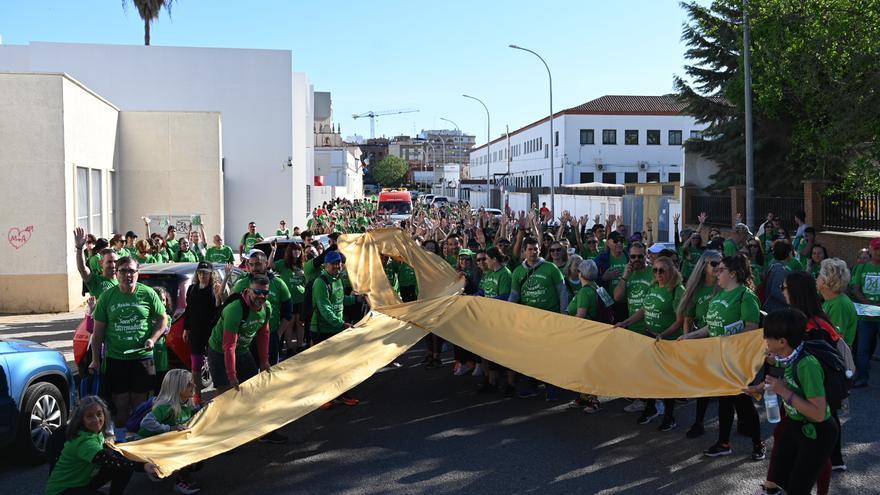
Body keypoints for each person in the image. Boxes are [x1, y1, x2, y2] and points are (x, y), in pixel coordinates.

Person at [680, 254, 765, 460]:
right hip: (719, 359)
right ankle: (724, 442)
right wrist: (689, 336)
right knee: (725, 402)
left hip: (736, 361)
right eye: (716, 269)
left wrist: (727, 338)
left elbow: (751, 327)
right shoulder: (718, 295)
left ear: (733, 273)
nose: (717, 273)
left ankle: (758, 443)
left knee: (743, 403)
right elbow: (712, 326)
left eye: (721, 269)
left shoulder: (745, 295)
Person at [747, 309, 839, 495]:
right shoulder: (790, 355)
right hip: (796, 425)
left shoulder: (808, 365)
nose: (765, 342)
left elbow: (818, 413)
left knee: (798, 487)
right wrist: (760, 388)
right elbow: (781, 370)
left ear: (782, 342)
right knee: (785, 479)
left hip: (817, 432)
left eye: (767, 338)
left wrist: (783, 391)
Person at [89, 257, 167, 443]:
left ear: (137, 273)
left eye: (131, 271)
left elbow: (163, 319)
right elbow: (97, 332)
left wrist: (152, 338)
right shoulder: (107, 297)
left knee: (141, 404)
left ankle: (140, 442)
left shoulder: (148, 294)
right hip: (116, 359)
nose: (127, 275)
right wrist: (95, 360)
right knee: (121, 404)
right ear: (116, 274)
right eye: (123, 271)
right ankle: (122, 441)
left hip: (143, 358)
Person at [615, 256, 685, 431]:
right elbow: (643, 309)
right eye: (655, 270)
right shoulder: (654, 286)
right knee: (650, 376)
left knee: (666, 380)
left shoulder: (677, 290)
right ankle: (651, 407)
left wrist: (663, 334)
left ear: (671, 271)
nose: (658, 273)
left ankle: (670, 416)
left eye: (662, 270)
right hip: (649, 338)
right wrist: (625, 323)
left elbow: (680, 320)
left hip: (667, 341)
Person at [44, 396, 158, 495]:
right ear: (81, 420)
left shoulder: (94, 432)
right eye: (89, 416)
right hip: (62, 491)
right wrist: (143, 466)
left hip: (82, 483)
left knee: (124, 461)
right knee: (121, 463)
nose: (96, 420)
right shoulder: (83, 442)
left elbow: (113, 453)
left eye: (99, 414)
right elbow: (109, 460)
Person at [509, 237, 569, 399]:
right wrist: (508, 312)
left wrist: (564, 315)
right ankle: (532, 385)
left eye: (536, 249)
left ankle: (552, 389)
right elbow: (514, 295)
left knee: (550, 354)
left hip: (550, 320)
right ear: (523, 251)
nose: (533, 252)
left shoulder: (551, 268)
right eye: (530, 249)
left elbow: (563, 292)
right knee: (531, 354)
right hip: (528, 321)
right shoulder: (518, 272)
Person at [677, 250, 722, 438]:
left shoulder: (725, 285)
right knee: (705, 386)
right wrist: (688, 343)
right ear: (704, 266)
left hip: (723, 342)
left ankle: (745, 422)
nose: (718, 267)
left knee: (732, 387)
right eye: (714, 264)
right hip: (703, 343)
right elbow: (687, 319)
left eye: (721, 263)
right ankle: (699, 422)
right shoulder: (696, 289)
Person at [311, 250, 362, 408]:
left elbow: (339, 300)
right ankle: (322, 398)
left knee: (340, 364)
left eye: (339, 262)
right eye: (333, 263)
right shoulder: (321, 282)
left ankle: (341, 395)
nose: (337, 266)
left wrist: (355, 299)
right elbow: (325, 307)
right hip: (321, 329)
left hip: (336, 327)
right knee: (323, 366)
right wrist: (341, 324)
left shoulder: (337, 279)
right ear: (326, 265)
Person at [137, 369, 201, 494]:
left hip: (166, 442)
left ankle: (177, 472)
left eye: (192, 382)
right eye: (189, 384)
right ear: (177, 388)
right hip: (150, 445)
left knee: (197, 459)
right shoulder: (166, 406)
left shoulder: (186, 402)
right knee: (184, 450)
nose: (194, 385)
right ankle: (177, 479)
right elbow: (146, 422)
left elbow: (190, 414)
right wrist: (170, 428)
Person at [232, 250, 292, 366]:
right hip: (246, 340)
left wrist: (278, 334)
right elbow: (230, 310)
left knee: (269, 373)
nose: (254, 268)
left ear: (266, 264)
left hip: (271, 337)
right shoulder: (242, 284)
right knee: (249, 376)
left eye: (258, 264)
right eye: (251, 264)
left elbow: (288, 312)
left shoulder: (278, 283)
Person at [567, 259, 610, 413]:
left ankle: (593, 400)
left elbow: (580, 316)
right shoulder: (600, 288)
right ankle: (584, 396)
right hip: (599, 332)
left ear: (581, 274)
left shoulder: (584, 292)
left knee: (587, 368)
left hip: (586, 335)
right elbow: (610, 307)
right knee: (588, 367)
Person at [183, 261, 225, 405]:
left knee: (214, 363)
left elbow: (219, 310)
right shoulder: (192, 289)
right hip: (195, 333)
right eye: (200, 273)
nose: (202, 276)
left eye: (206, 273)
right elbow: (188, 310)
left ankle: (218, 394)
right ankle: (197, 396)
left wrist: (219, 297)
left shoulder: (214, 290)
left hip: (211, 333)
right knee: (195, 365)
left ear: (211, 274)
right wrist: (186, 328)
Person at [851, 238, 880, 388]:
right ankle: (862, 378)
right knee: (862, 349)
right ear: (870, 249)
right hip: (865, 317)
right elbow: (855, 289)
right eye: (875, 249)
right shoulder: (862, 268)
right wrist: (870, 304)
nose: (878, 252)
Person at [274, 244, 307, 355]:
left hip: (301, 299)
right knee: (289, 323)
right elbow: (270, 266)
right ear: (289, 251)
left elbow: (307, 282)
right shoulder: (283, 264)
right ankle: (289, 348)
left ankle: (300, 346)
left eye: (298, 249)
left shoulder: (303, 264)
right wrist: (273, 251)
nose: (297, 252)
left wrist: (304, 275)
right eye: (294, 250)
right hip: (288, 299)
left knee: (300, 323)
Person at [818, 258, 858, 346]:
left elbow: (836, 338)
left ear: (826, 281)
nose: (816, 278)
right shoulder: (832, 300)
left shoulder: (839, 305)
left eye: (819, 275)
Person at [74, 229, 119, 300]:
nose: (113, 265)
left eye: (115, 261)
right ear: (101, 263)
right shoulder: (95, 280)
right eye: (109, 262)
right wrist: (79, 248)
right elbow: (82, 268)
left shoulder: (122, 280)